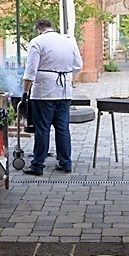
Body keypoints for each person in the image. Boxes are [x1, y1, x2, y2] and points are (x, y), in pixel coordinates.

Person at [21, 18, 83, 175]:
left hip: (43, 93)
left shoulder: (37, 42)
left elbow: (30, 71)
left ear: (38, 29)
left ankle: (37, 165)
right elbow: (78, 66)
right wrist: (64, 74)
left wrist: (24, 93)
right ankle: (66, 163)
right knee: (62, 128)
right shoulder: (68, 41)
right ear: (51, 27)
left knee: (42, 129)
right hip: (65, 91)